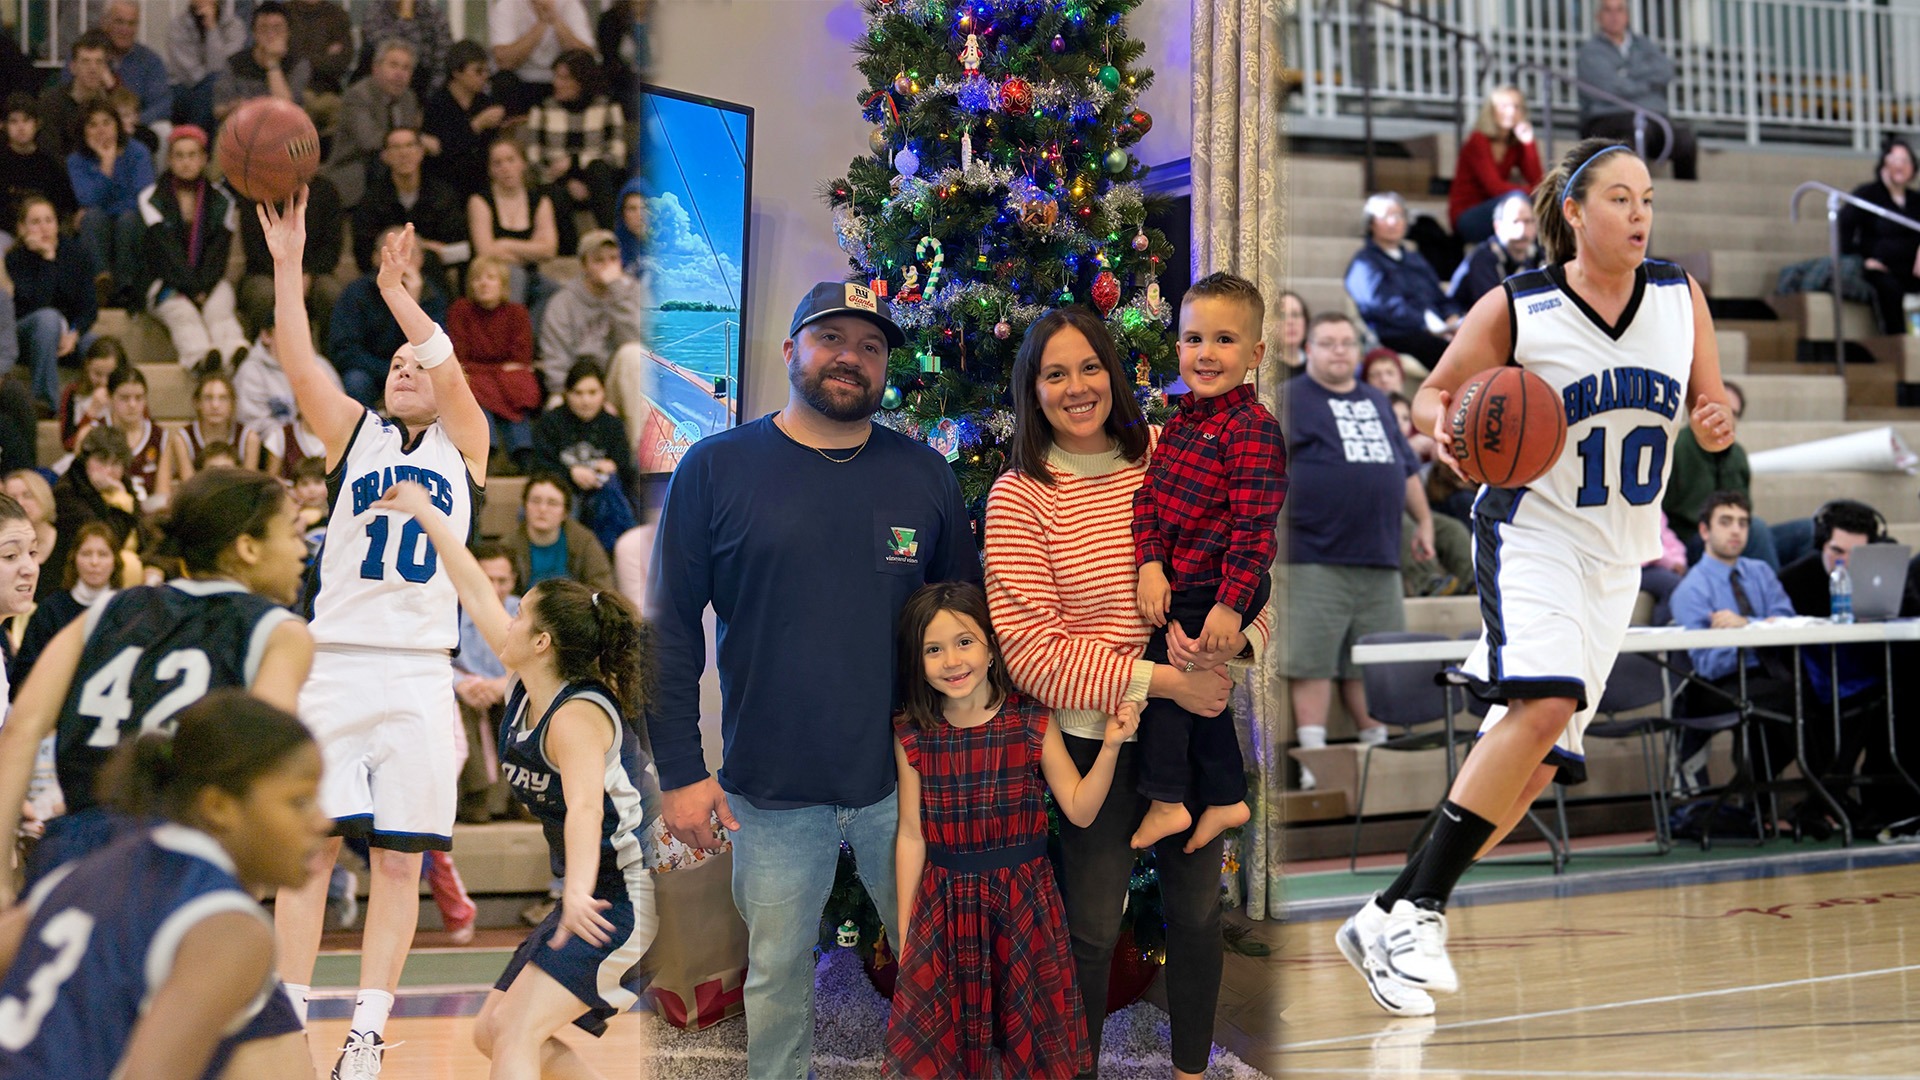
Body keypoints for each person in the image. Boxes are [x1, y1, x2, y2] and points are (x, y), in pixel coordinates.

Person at [1336, 139, 1733, 1017]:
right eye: (1622, 200)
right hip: (1532, 533)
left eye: (1649, 201)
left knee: (1539, 766)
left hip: (1617, 557)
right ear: (1577, 214)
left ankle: (1386, 911)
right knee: (1544, 705)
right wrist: (1449, 434)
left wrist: (1714, 420)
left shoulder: (1679, 296)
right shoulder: (1520, 306)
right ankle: (1423, 914)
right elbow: (1436, 396)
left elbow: (1714, 411)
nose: (1641, 215)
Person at [648, 281, 979, 1078]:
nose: (851, 358)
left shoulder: (925, 477)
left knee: (933, 967)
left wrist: (968, 754)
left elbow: (968, 627)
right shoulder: (715, 469)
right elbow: (665, 629)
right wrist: (682, 773)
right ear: (790, 349)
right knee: (776, 979)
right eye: (832, 338)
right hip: (770, 785)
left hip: (903, 779)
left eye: (871, 347)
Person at [983, 307, 1263, 1078]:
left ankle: (1190, 1070)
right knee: (1093, 926)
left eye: (1090, 367)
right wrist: (1165, 678)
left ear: (1114, 371)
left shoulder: (1171, 454)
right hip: (1093, 740)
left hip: (1194, 730)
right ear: (1032, 390)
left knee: (1198, 914)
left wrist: (1235, 647)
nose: (1078, 388)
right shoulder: (1020, 496)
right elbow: (1032, 653)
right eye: (1055, 374)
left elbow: (1251, 561)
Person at [256, 191, 489, 1078]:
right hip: (340, 664)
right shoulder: (351, 436)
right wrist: (289, 264)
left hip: (424, 673)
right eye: (392, 360)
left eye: (412, 362)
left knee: (398, 863)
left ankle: (367, 1030)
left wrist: (400, 293)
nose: (402, 365)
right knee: (309, 851)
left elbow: (447, 360)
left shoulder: (468, 446)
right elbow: (297, 355)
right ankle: (289, 1019)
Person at [373, 477, 658, 1078]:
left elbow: (584, 808)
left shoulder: (578, 714)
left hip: (637, 895)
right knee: (493, 1029)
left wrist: (575, 892)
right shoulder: (526, 688)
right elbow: (474, 587)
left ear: (542, 641)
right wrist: (427, 512)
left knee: (517, 1032)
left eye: (519, 613)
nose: (503, 619)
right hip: (600, 888)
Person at [0, 466, 313, 893]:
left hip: (73, 854)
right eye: (293, 534)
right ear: (247, 548)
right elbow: (263, 765)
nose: (302, 550)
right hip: (179, 861)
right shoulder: (278, 631)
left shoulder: (105, 611)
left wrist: (2, 879)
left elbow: (19, 730)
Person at [0, 693, 327, 1080]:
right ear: (218, 806)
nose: (322, 821)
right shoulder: (227, 927)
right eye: (299, 802)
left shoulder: (84, 871)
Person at [888, 581, 1127, 1079]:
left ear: (992, 647)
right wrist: (909, 926)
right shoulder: (912, 731)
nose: (952, 661)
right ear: (918, 660)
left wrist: (1110, 748)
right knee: (952, 1037)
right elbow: (912, 833)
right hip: (947, 905)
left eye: (965, 642)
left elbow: (1080, 810)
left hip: (1023, 904)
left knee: (1026, 1035)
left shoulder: (1030, 719)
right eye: (934, 649)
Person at [1127, 274, 1281, 851]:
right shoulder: (1180, 423)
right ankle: (1225, 798)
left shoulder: (1252, 429)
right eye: (1194, 339)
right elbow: (1148, 501)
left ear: (1254, 354)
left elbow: (1254, 530)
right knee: (1196, 682)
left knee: (1169, 682)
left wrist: (1228, 606)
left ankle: (1168, 802)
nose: (1206, 354)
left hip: (1221, 581)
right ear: (1178, 347)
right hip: (1183, 577)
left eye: (1224, 340)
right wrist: (1149, 565)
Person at [1286, 311, 1432, 766]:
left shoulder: (1378, 400)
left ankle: (1379, 760)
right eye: (1327, 342)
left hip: (1380, 556)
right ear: (1309, 349)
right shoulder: (1289, 399)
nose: (1338, 351)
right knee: (1313, 663)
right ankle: (1313, 763)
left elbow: (1405, 469)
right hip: (1313, 556)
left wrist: (1424, 521)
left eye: (1346, 343)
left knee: (1372, 663)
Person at [1668, 490, 1799, 791]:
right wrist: (1761, 631)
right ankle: (1751, 794)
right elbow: (1710, 662)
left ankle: (1756, 796)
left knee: (1819, 697)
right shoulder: (1691, 590)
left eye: (1742, 522)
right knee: (1790, 698)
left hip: (1769, 672)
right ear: (1704, 530)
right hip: (1715, 686)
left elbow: (1789, 623)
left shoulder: (1760, 572)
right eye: (1726, 522)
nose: (1736, 530)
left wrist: (1745, 627)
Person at [138, 125, 247, 373]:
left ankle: (235, 352)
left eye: (192, 155)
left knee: (220, 307)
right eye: (179, 155)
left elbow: (218, 254)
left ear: (204, 159)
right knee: (183, 312)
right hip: (164, 281)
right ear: (169, 160)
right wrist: (193, 289)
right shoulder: (151, 197)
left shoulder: (222, 200)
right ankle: (200, 357)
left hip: (209, 278)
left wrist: (204, 287)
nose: (186, 162)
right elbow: (164, 254)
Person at [328, 222, 452, 408]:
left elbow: (437, 353)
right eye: (395, 252)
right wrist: (392, 371)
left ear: (421, 259)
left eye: (410, 252)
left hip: (417, 373)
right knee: (356, 380)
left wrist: (413, 303)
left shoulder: (432, 295)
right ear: (377, 258)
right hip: (370, 371)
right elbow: (345, 350)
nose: (402, 260)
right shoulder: (356, 293)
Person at [1577, 0, 1698, 180]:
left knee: (1685, 139)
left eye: (1619, 10)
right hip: (1607, 118)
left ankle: (1690, 198)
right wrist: (1647, 85)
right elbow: (1609, 88)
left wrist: (1625, 75)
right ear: (1599, 17)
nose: (1614, 16)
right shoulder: (1590, 51)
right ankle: (1632, 193)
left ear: (1627, 16)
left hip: (1650, 117)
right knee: (1635, 133)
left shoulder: (1644, 44)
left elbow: (1665, 70)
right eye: (1608, 10)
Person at [531, 359, 643, 552]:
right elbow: (539, 466)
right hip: (564, 492)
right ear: (567, 394)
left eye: (592, 393)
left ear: (603, 394)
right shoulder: (550, 422)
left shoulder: (613, 425)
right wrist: (570, 473)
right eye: (578, 393)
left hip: (603, 496)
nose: (586, 400)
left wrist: (614, 466)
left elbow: (627, 469)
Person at [1664, 379, 1778, 567]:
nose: (1726, 418)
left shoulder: (1738, 454)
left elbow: (1745, 508)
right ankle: (1768, 594)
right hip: (1691, 538)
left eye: (1733, 413)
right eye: (1719, 410)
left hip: (1733, 531)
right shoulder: (1677, 447)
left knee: (1808, 531)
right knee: (1757, 530)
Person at [525, 49, 626, 254]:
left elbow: (617, 155)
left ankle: (612, 247)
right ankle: (570, 254)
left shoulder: (608, 106)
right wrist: (567, 181)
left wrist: (574, 161)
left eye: (564, 78)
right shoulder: (542, 108)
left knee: (598, 169)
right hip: (556, 181)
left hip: (599, 179)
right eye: (555, 76)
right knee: (554, 194)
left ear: (582, 80)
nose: (556, 83)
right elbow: (533, 158)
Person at [1345, 192, 1462, 367]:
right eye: (1386, 216)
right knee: (1447, 353)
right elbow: (1382, 306)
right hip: (1396, 332)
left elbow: (1439, 296)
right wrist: (1426, 325)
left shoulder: (1415, 258)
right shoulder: (1364, 262)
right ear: (1371, 223)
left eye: (1398, 215)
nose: (1393, 222)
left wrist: (1451, 317)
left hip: (1436, 328)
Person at [449, 253, 541, 468]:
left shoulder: (517, 313)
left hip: (501, 378)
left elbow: (522, 359)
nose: (483, 283)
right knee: (473, 384)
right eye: (477, 278)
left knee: (516, 383)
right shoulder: (461, 310)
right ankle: (485, 449)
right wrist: (499, 369)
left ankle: (523, 454)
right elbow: (460, 358)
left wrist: (488, 369)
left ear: (503, 284)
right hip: (478, 377)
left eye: (490, 277)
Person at [7, 195, 97, 413]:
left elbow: (89, 307)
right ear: (21, 228)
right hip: (27, 336)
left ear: (57, 224)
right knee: (48, 319)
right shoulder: (15, 259)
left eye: (49, 220)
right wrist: (47, 259)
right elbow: (35, 305)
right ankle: (45, 402)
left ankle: (98, 412)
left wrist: (74, 333)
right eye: (35, 222)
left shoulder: (76, 253)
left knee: (98, 347)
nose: (44, 228)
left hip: (68, 335)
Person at [450, 541, 519, 823]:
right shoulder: (450, 610)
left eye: (502, 580)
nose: (494, 588)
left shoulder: (524, 610)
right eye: (486, 579)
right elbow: (439, 659)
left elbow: (542, 663)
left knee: (527, 702)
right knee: (454, 705)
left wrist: (504, 684)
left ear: (513, 580)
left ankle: (517, 797)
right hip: (465, 688)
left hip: (506, 686)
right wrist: (459, 684)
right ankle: (477, 796)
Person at [235, 172, 345, 346]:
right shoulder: (255, 191)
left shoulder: (324, 189)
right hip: (265, 272)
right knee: (263, 293)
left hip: (314, 273)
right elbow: (253, 250)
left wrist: (306, 274)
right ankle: (262, 357)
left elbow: (332, 248)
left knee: (331, 292)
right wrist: (286, 277)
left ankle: (331, 359)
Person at [351, 125, 469, 284]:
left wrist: (420, 252)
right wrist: (421, 246)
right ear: (385, 156)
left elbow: (459, 249)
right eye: (396, 147)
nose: (404, 153)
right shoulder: (371, 200)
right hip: (386, 276)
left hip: (433, 275)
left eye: (410, 145)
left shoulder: (443, 195)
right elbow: (364, 255)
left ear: (421, 152)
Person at [539, 229, 645, 404]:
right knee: (555, 404)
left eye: (613, 259)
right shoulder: (563, 302)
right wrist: (572, 394)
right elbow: (555, 358)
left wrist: (617, 293)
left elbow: (640, 342)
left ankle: (640, 433)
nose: (608, 266)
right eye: (598, 260)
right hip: (577, 388)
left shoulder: (632, 292)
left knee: (634, 354)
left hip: (618, 383)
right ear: (583, 265)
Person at [67, 99, 153, 311]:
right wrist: (106, 166)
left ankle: (125, 288)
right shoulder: (76, 160)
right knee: (93, 217)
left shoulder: (137, 152)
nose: (100, 130)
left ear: (117, 125)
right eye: (92, 125)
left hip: (132, 219)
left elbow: (144, 196)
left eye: (106, 123)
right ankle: (101, 281)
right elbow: (86, 199)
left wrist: (106, 204)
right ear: (83, 130)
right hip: (100, 220)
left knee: (126, 219)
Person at [324, 39, 425, 212]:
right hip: (355, 169)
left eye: (406, 68)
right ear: (376, 68)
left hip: (393, 173)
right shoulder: (357, 96)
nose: (400, 74)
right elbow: (369, 141)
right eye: (393, 65)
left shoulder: (409, 98)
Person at [13, 520, 120, 681]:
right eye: (86, 554)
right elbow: (26, 670)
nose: (94, 562)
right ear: (74, 558)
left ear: (115, 561)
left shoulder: (126, 609)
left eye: (103, 554)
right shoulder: (51, 609)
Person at [470, 135, 561, 311]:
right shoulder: (480, 201)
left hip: (532, 276)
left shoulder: (540, 201)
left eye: (511, 160)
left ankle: (529, 335)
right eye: (498, 163)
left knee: (556, 291)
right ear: (490, 170)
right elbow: (486, 251)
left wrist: (505, 244)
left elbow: (549, 250)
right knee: (515, 275)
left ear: (523, 164)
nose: (505, 168)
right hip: (491, 276)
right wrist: (531, 250)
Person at [47, 427, 143, 594]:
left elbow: (143, 534)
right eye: (101, 461)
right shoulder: (67, 491)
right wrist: (121, 502)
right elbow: (108, 541)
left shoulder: (122, 484)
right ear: (86, 460)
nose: (108, 471)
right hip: (83, 577)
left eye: (115, 464)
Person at [1840, 139, 1920, 335]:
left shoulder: (1917, 200)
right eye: (1895, 159)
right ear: (1884, 163)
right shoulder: (1869, 194)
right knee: (1889, 289)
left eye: (1905, 160)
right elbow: (1843, 226)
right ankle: (1897, 344)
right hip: (1881, 267)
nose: (1900, 165)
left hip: (1912, 268)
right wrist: (1863, 260)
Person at [1451, 86, 1543, 243]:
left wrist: (1529, 143)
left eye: (1517, 106)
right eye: (1504, 106)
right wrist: (1531, 192)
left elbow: (1538, 181)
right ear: (1491, 111)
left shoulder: (1515, 143)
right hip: (1468, 215)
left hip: (1499, 210)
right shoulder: (1478, 140)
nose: (1511, 112)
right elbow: (1494, 187)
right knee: (1519, 200)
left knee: (1539, 205)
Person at [422, 39, 508, 202]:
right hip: (445, 183)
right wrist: (476, 125)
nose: (485, 76)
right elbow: (441, 149)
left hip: (482, 182)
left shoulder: (485, 103)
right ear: (457, 72)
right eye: (478, 71)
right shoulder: (437, 105)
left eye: (486, 71)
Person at [506, 473, 616, 589]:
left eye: (552, 503)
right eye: (535, 501)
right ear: (524, 506)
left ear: (565, 512)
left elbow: (602, 587)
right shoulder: (509, 546)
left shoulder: (584, 542)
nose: (542, 509)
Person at [488, 0, 596, 117]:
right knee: (503, 80)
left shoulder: (570, 4)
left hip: (558, 78)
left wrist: (555, 19)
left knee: (588, 78)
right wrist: (542, 23)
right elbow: (504, 61)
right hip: (520, 78)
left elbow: (586, 57)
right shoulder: (507, 5)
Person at [211, 2, 312, 125]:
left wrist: (272, 62)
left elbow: (287, 110)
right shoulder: (235, 62)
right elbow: (218, 109)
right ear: (254, 33)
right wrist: (234, 107)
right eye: (264, 29)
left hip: (282, 127)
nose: (271, 35)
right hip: (241, 125)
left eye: (277, 29)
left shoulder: (298, 64)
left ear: (288, 32)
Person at [0, 95, 78, 249]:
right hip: (6, 234)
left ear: (37, 124)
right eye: (14, 121)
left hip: (47, 232)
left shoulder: (51, 165)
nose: (21, 127)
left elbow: (66, 207)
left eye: (26, 120)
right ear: (4, 126)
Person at [1449, 191, 1544, 309]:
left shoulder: (1539, 255)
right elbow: (1493, 310)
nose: (1522, 230)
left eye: (1528, 221)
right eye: (1515, 221)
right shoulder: (1483, 259)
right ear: (1497, 226)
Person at [165, 0, 248, 134]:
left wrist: (212, 28)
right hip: (185, 90)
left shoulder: (234, 26)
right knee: (213, 91)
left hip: (222, 90)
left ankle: (200, 144)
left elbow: (225, 70)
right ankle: (202, 145)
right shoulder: (177, 26)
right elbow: (191, 75)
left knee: (222, 92)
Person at [35, 31, 118, 163]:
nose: (93, 69)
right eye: (86, 62)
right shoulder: (51, 102)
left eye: (99, 62)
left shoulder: (110, 103)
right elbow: (49, 152)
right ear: (73, 67)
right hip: (65, 176)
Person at [357, 0, 455, 101]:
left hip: (421, 80)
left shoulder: (433, 14)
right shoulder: (376, 10)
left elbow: (443, 56)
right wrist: (405, 17)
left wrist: (430, 99)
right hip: (382, 79)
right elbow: (385, 47)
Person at [96, 1, 172, 131]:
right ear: (105, 23)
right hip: (94, 126)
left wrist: (133, 120)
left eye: (131, 23)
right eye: (119, 22)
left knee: (164, 129)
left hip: (136, 126)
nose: (125, 29)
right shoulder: (89, 55)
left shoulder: (150, 60)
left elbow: (162, 105)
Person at [163, 371, 241, 495]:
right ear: (197, 402)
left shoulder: (247, 437)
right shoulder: (182, 438)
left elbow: (248, 486)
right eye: (208, 398)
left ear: (232, 403)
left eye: (223, 398)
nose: (215, 405)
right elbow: (191, 490)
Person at [3, 470, 57, 599]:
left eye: (27, 495)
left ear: (43, 496)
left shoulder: (71, 541)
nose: (20, 503)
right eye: (13, 498)